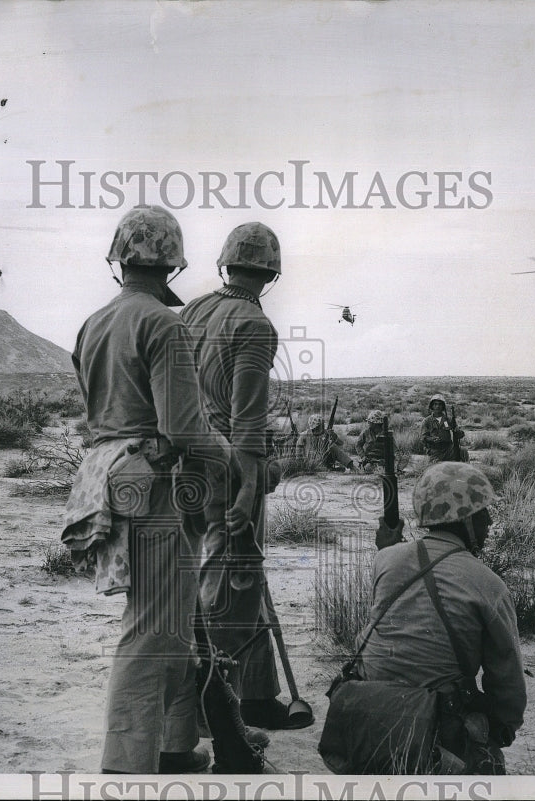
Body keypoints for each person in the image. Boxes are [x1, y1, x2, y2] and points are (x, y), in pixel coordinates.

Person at [61, 205, 237, 774]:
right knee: (153, 629)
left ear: (120, 260)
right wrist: (234, 459)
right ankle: (126, 764)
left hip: (113, 476)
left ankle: (173, 746)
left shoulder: (94, 322)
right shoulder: (162, 324)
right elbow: (184, 427)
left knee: (171, 620)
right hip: (153, 483)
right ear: (172, 264)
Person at [181, 222, 312, 732]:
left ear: (225, 262)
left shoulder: (193, 310)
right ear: (272, 271)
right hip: (230, 468)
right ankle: (219, 707)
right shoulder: (254, 325)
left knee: (234, 580)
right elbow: (247, 420)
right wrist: (251, 487)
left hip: (186, 461)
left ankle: (256, 697)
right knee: (232, 583)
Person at [363, 462, 527, 774]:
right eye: (481, 513)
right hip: (434, 726)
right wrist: (501, 728)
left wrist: (388, 549)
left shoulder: (384, 558)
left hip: (370, 712)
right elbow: (506, 679)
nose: (490, 522)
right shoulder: (487, 583)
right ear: (463, 520)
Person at [420, 394, 466, 462]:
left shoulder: (449, 420)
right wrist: (432, 439)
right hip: (434, 450)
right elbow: (423, 438)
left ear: (443, 406)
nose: (437, 406)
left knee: (463, 451)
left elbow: (460, 435)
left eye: (440, 404)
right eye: (435, 404)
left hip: (449, 448)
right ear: (432, 406)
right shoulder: (427, 421)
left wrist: (458, 432)